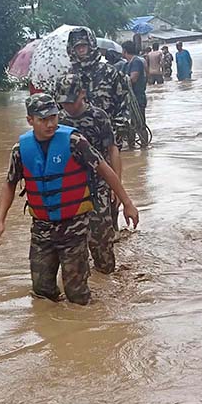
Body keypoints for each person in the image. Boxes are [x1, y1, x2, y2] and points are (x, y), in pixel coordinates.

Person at [0, 94, 139, 305]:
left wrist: (127, 203)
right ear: (30, 120)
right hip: (42, 228)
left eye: (53, 117)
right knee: (42, 291)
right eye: (43, 119)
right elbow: (10, 183)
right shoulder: (20, 150)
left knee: (76, 295)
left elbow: (105, 169)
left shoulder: (75, 142)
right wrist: (0, 220)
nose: (50, 124)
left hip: (74, 227)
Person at [55, 73, 121, 273]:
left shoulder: (98, 116)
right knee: (72, 243)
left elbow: (112, 150)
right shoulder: (58, 121)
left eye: (72, 101)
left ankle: (107, 276)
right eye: (64, 102)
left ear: (82, 94)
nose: (68, 106)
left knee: (101, 240)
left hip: (99, 183)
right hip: (72, 186)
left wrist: (117, 187)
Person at [65, 26, 131, 150]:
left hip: (108, 140)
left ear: (91, 45)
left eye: (84, 45)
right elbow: (60, 110)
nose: (81, 49)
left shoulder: (110, 72)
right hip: (77, 143)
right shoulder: (67, 78)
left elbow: (123, 104)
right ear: (72, 49)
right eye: (77, 47)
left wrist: (117, 134)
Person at [122, 40, 148, 127]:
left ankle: (145, 141)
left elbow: (133, 79)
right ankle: (131, 141)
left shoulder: (136, 62)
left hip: (137, 99)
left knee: (140, 125)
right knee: (130, 127)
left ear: (124, 51)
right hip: (128, 100)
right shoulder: (126, 65)